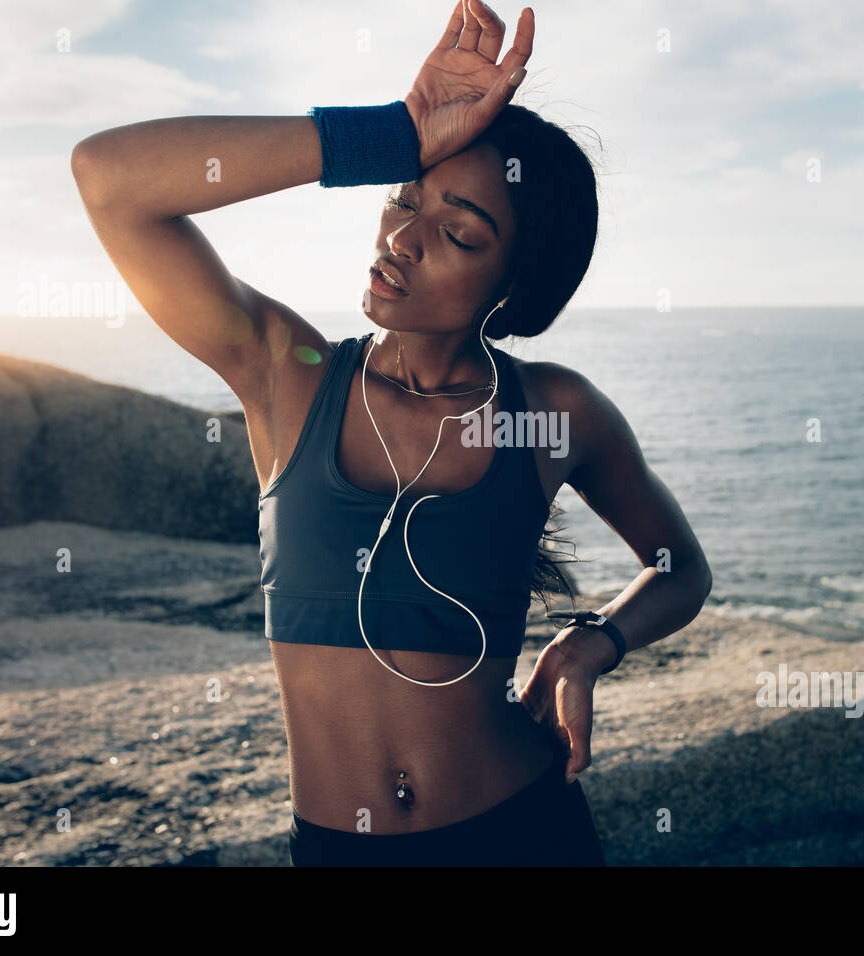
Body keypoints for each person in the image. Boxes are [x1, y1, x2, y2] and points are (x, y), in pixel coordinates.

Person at [70, 0, 712, 866]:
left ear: (513, 286)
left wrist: (591, 643)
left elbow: (680, 568)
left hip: (523, 833)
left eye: (455, 233)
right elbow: (109, 178)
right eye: (404, 196)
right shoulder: (286, 374)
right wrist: (387, 134)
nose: (404, 237)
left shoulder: (555, 412)